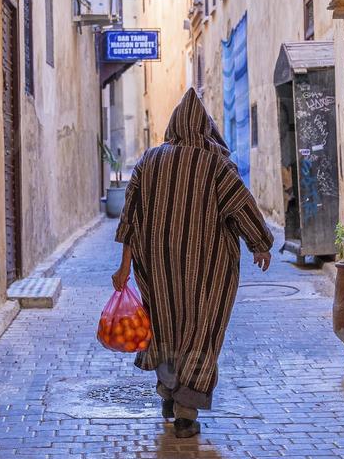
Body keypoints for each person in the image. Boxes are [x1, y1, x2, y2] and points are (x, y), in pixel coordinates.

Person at [112, 88, 273, 438]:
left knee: (165, 326)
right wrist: (260, 244)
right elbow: (241, 205)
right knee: (202, 330)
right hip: (207, 271)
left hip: (157, 270)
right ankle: (185, 411)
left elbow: (129, 217)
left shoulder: (148, 160)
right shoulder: (216, 164)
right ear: (206, 128)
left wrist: (124, 266)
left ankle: (169, 392)